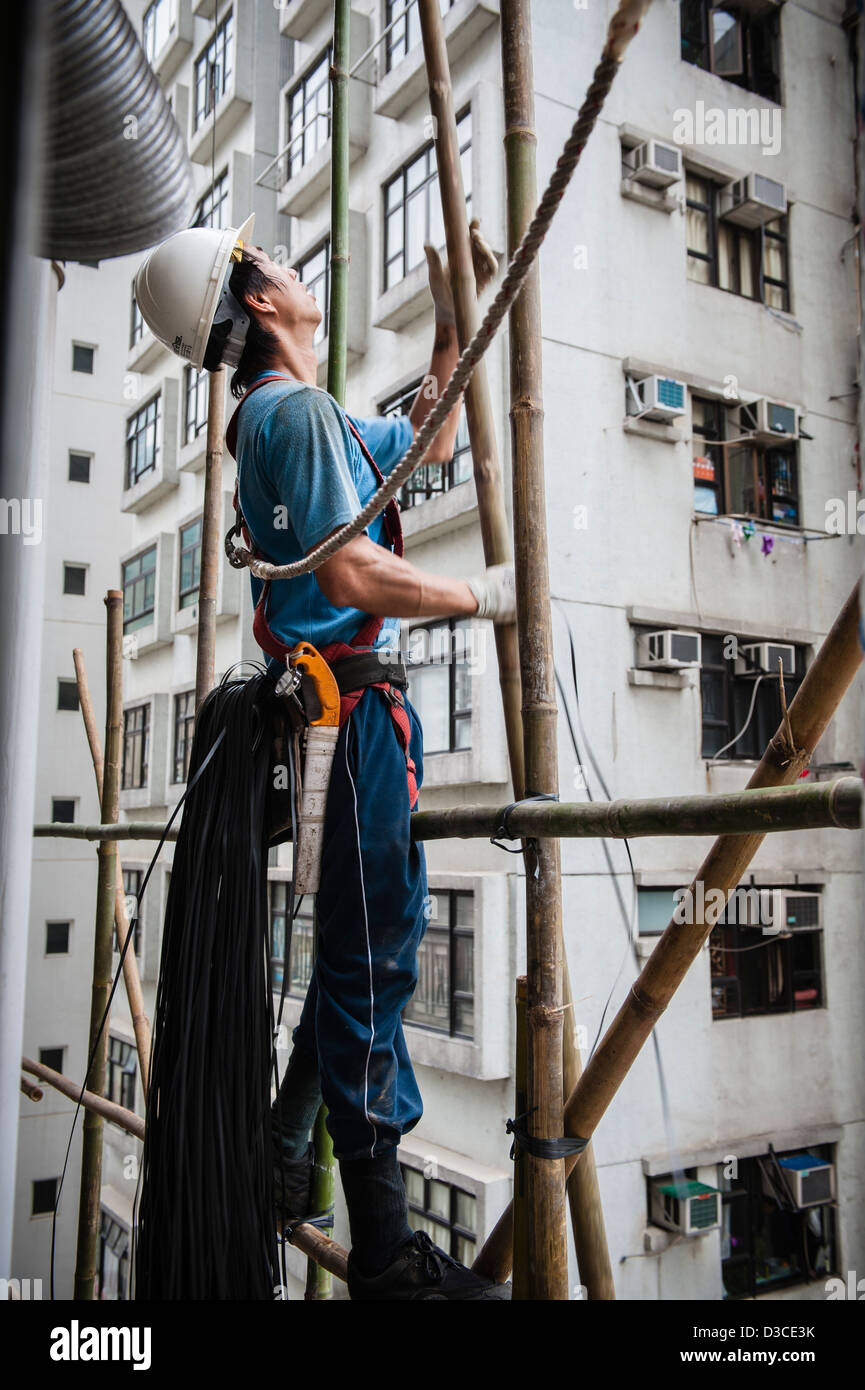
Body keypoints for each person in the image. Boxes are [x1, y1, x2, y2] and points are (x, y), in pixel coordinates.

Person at [136, 215, 514, 1300]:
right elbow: (349, 573)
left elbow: (424, 444)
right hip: (344, 716)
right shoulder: (289, 413)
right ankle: (389, 1251)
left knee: (367, 941)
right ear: (258, 298)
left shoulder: (303, 415)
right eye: (285, 265)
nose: (305, 275)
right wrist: (474, 595)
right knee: (371, 955)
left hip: (343, 719)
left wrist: (449, 325)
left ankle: (286, 1151)